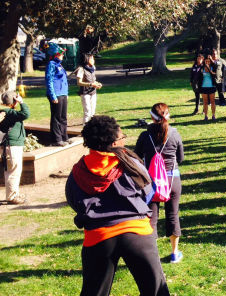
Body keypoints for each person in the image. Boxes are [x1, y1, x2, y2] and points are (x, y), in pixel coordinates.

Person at [65, 115, 170, 296]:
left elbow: (74, 200)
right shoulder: (131, 162)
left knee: (94, 292)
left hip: (99, 236)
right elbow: (149, 192)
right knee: (155, 290)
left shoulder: (78, 170)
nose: (124, 139)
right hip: (137, 233)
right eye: (122, 137)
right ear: (114, 143)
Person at [135, 103, 185, 263]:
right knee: (173, 214)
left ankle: (152, 255)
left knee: (151, 217)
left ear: (151, 117)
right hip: (172, 180)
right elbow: (181, 158)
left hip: (150, 182)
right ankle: (174, 252)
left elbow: (136, 156)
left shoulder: (144, 136)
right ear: (168, 116)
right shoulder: (175, 134)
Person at [0, 91, 29, 205]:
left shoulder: (7, 112)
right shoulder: (9, 112)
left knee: (13, 171)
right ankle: (12, 197)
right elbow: (25, 114)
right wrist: (22, 102)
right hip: (12, 146)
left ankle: (14, 194)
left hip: (11, 146)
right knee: (13, 172)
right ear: (14, 102)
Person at [43, 42, 70, 147]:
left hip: (63, 93)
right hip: (56, 94)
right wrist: (53, 95)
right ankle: (56, 139)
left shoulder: (60, 65)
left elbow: (64, 80)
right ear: (55, 54)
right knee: (56, 117)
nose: (62, 55)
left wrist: (66, 93)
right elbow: (49, 81)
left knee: (63, 117)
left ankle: (64, 137)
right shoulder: (51, 64)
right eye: (60, 54)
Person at [76, 54, 102, 123]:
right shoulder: (81, 69)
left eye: (93, 59)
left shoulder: (93, 68)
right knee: (87, 112)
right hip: (85, 93)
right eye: (92, 59)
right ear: (87, 60)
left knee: (92, 112)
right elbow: (79, 82)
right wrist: (90, 84)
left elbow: (93, 80)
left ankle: (92, 129)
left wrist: (97, 84)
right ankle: (85, 129)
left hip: (93, 92)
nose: (93, 60)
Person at [200, 54, 218, 121]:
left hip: (211, 87)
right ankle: (206, 116)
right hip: (204, 87)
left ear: (210, 61)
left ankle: (213, 115)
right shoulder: (202, 68)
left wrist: (209, 69)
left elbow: (214, 75)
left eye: (208, 61)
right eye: (206, 61)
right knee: (205, 102)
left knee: (212, 101)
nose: (207, 62)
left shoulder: (213, 67)